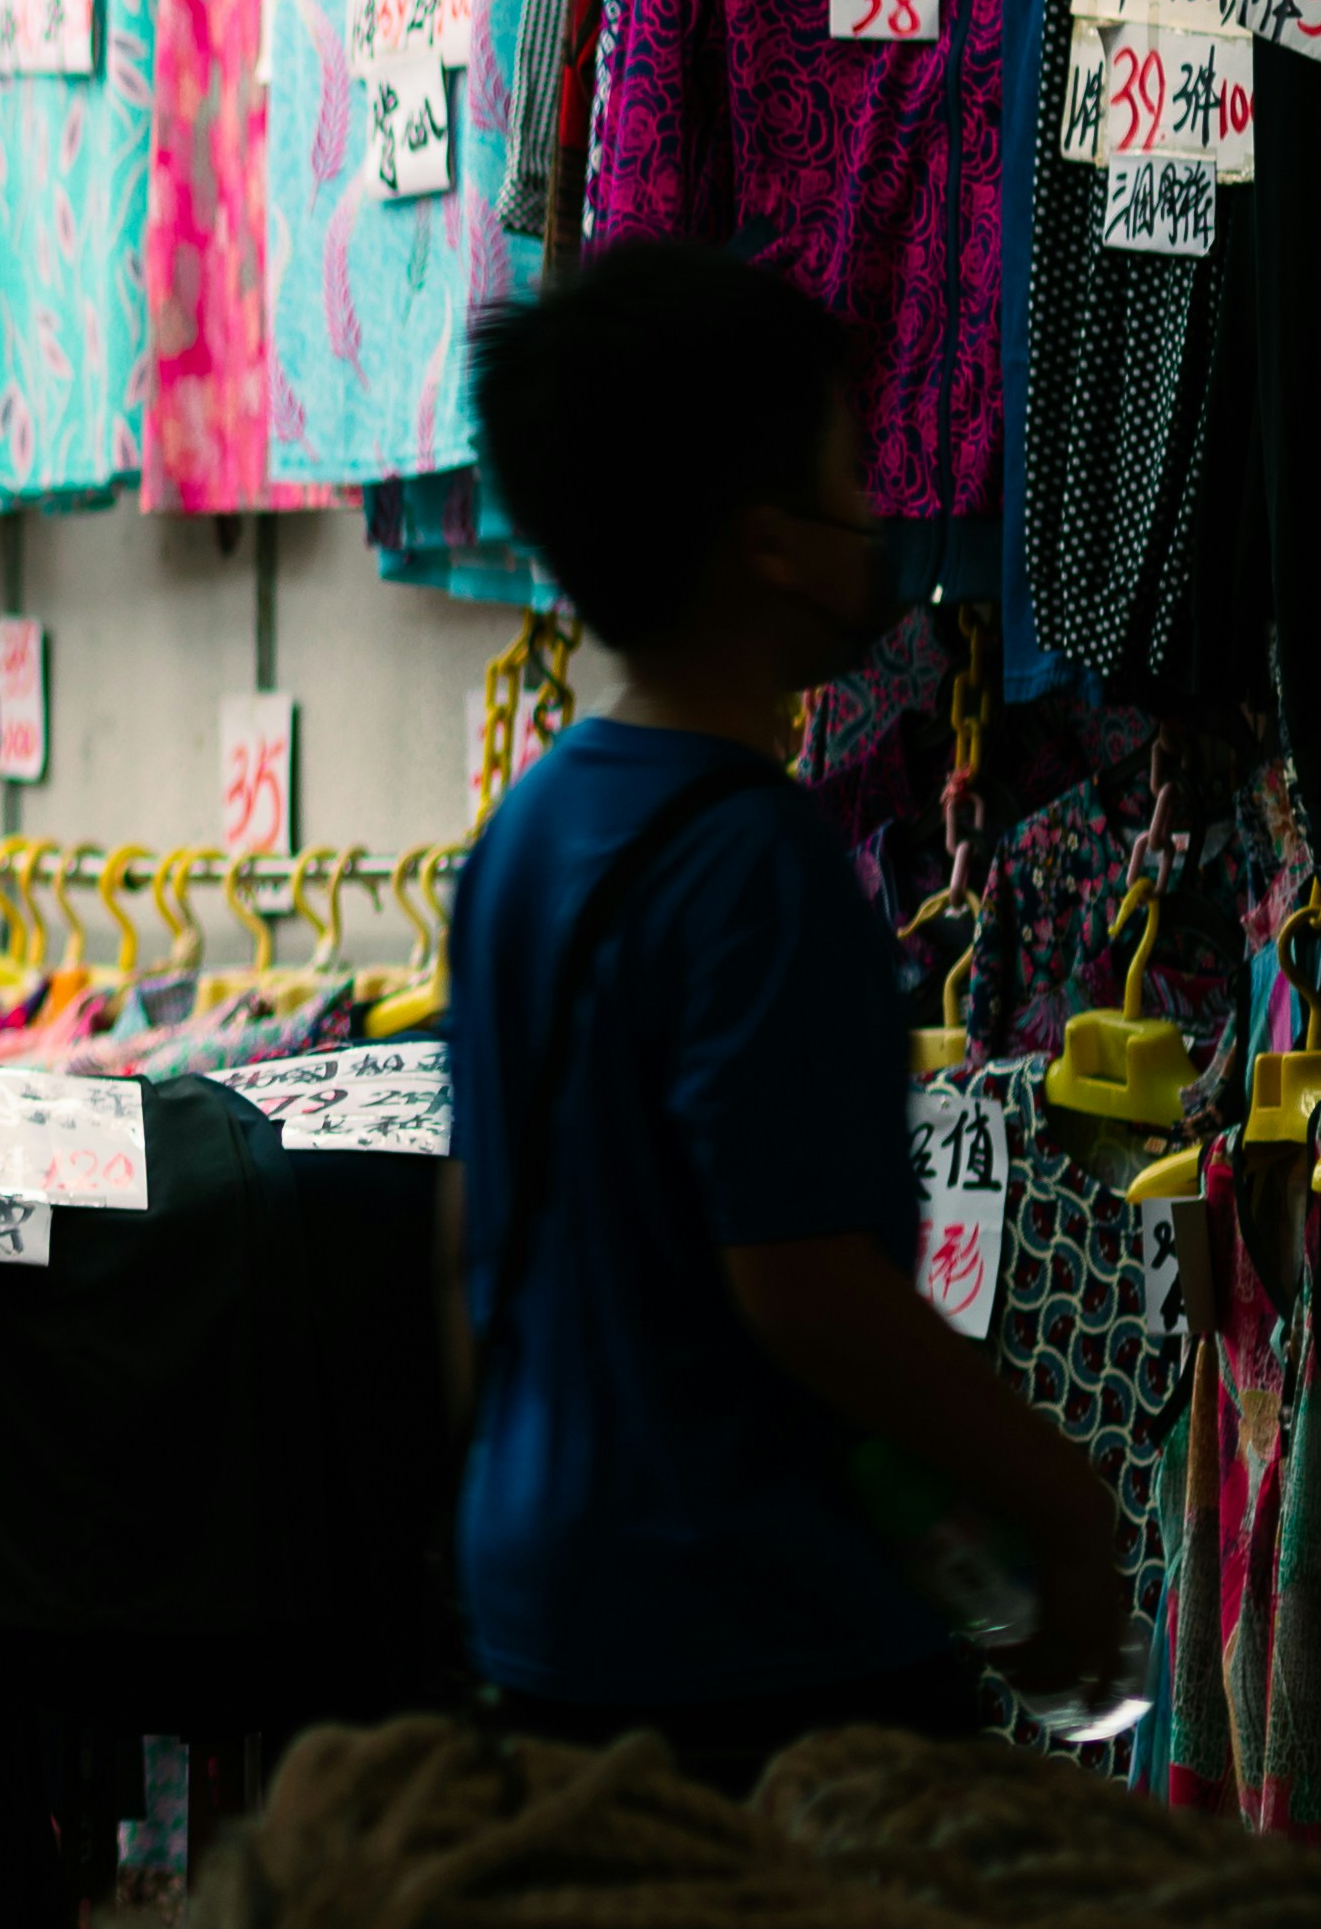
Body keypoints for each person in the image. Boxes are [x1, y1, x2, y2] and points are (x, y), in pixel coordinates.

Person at [452, 241, 1130, 1789]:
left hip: (540, 1601)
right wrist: (1061, 1507)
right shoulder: (759, 865)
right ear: (767, 542)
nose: (878, 512)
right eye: (850, 465)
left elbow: (463, 1245)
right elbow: (804, 1286)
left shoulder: (526, 833)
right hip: (744, 1641)